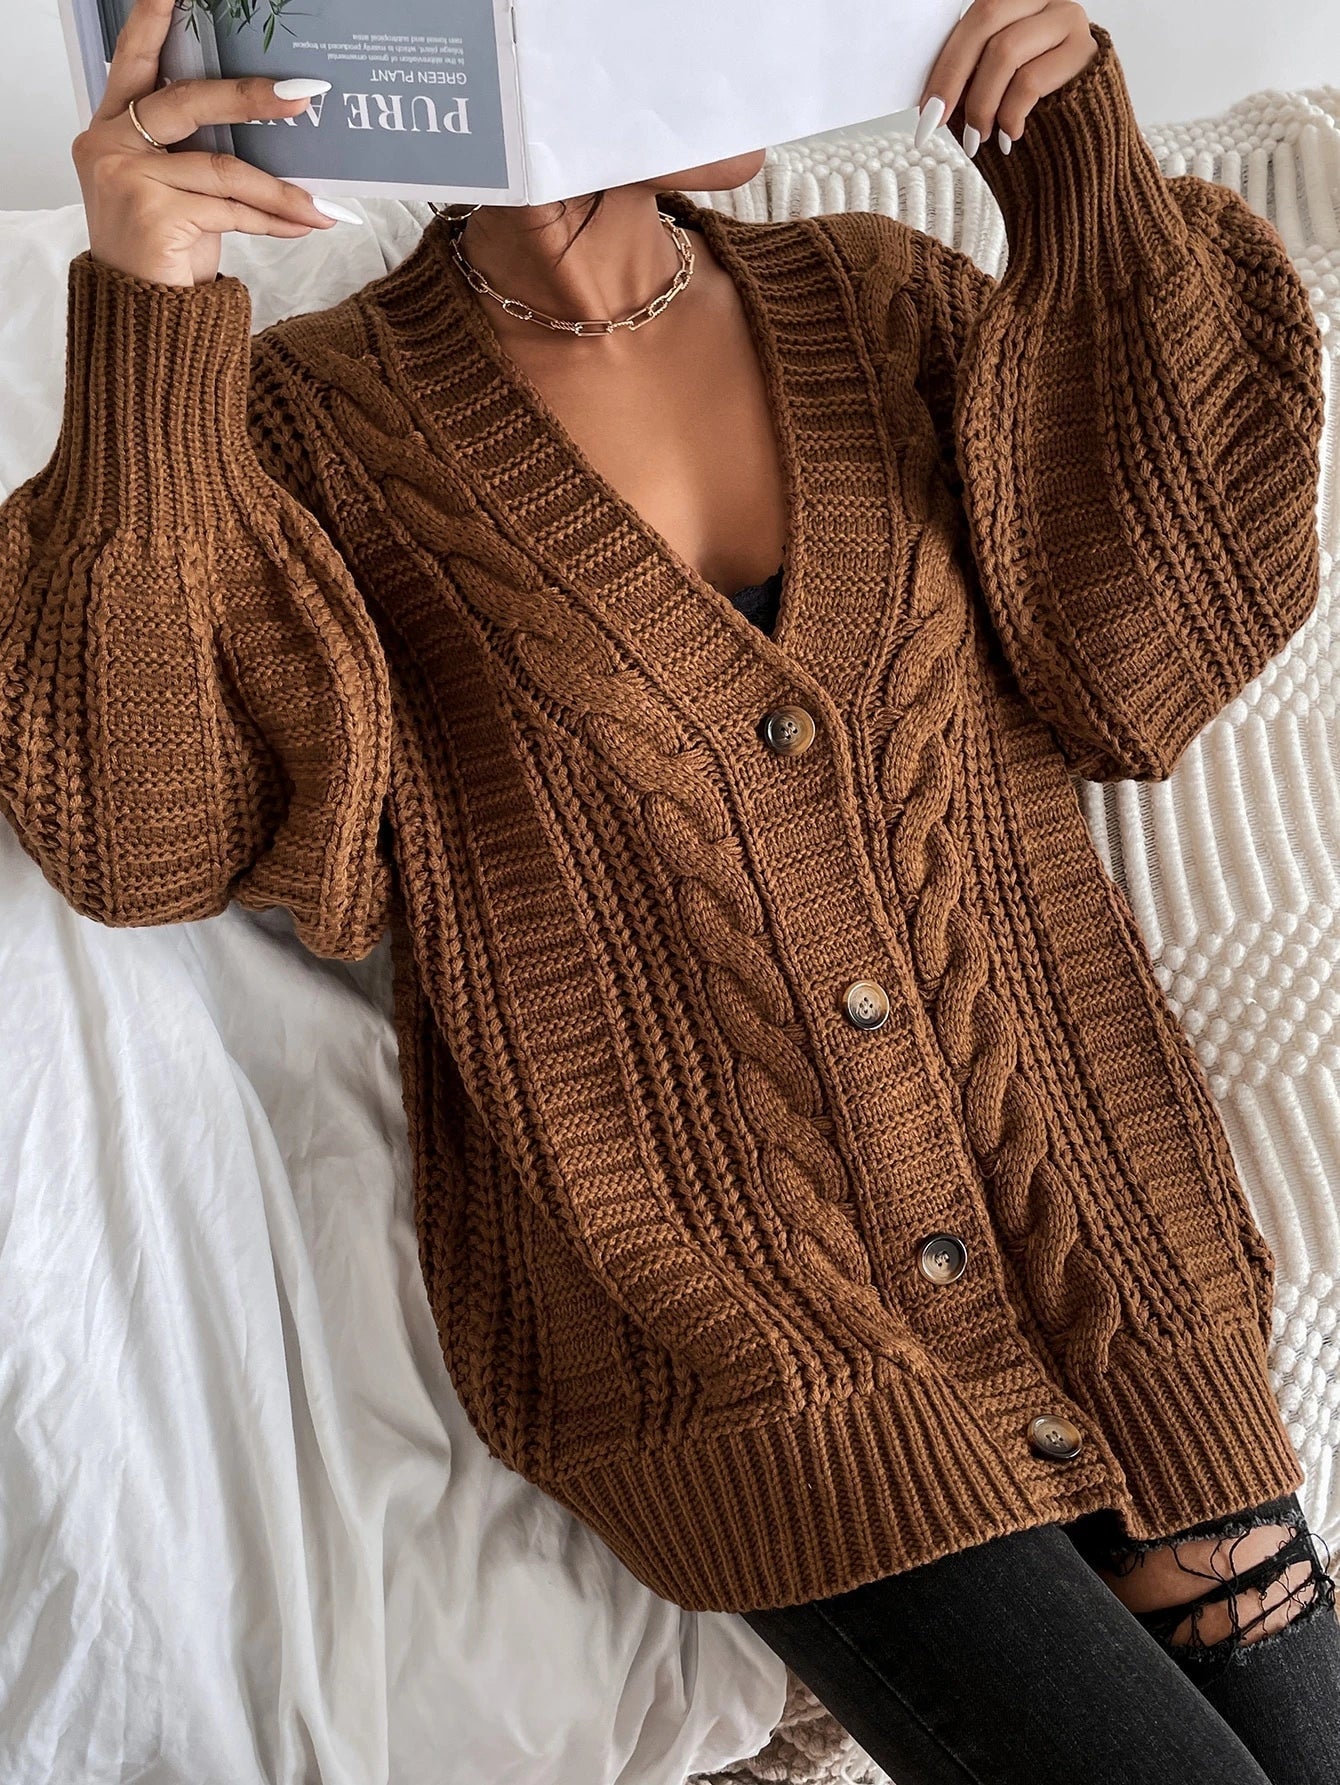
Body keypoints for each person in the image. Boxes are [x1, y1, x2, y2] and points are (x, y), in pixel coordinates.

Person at [2, 0, 1337, 1779]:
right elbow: (137, 829)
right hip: (741, 1344)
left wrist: (1080, 176)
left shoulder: (882, 300)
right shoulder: (309, 431)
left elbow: (1145, 662)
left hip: (1121, 1261)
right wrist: (150, 313)